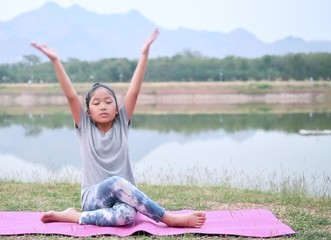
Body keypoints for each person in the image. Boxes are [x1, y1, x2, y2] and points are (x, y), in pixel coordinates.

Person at [31, 29, 206, 228]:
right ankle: (170, 219)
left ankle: (72, 216)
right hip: (93, 199)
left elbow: (135, 89)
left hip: (123, 197)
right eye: (96, 103)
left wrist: (144, 53)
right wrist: (55, 60)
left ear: (117, 108)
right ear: (88, 112)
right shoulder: (85, 126)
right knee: (116, 182)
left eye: (108, 102)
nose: (103, 106)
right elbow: (71, 95)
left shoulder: (122, 121)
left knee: (126, 217)